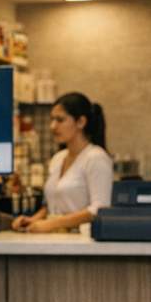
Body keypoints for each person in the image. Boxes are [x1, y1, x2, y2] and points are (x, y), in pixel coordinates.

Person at [12, 92, 114, 234]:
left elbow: (99, 208)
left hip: (82, 242)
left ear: (81, 122)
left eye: (60, 120)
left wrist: (52, 223)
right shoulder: (58, 158)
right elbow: (53, 205)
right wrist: (33, 220)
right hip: (55, 238)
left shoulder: (96, 158)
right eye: (52, 120)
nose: (53, 126)